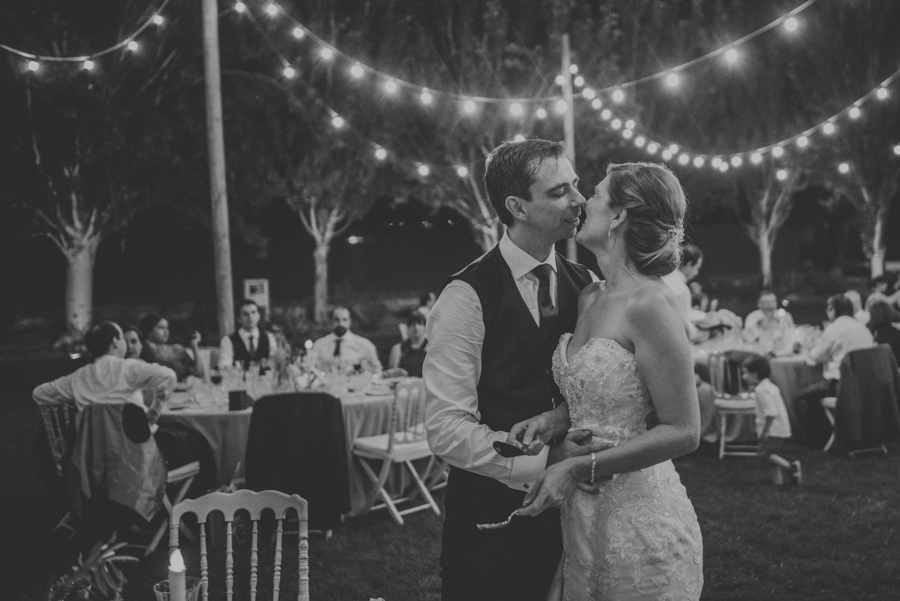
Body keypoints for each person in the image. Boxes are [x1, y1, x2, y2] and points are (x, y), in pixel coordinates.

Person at [510, 162, 703, 600]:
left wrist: (579, 465)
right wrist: (554, 419)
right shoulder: (590, 296)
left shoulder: (651, 305)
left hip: (641, 521)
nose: (581, 201)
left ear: (618, 216)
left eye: (594, 195)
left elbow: (685, 429)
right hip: (582, 518)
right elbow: (600, 393)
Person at [423, 139, 603, 601]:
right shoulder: (466, 295)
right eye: (559, 192)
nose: (580, 201)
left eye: (577, 186)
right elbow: (445, 428)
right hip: (491, 524)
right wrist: (542, 463)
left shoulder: (588, 286)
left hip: (581, 518)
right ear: (517, 206)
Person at [32, 321, 213, 545]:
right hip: (134, 461)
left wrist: (76, 411)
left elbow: (40, 394)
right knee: (200, 444)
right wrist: (155, 411)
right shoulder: (127, 368)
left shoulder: (79, 377)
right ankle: (204, 515)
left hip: (92, 466)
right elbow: (168, 377)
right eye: (122, 338)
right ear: (116, 342)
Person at [796, 295, 874, 446]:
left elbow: (817, 356)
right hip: (865, 384)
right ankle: (829, 432)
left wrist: (809, 351)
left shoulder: (834, 329)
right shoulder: (863, 328)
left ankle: (819, 438)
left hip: (840, 383)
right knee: (814, 393)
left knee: (799, 398)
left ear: (832, 310)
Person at [741, 354, 801, 486]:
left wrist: (764, 432)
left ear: (755, 375)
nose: (743, 377)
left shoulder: (762, 391)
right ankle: (777, 481)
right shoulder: (769, 386)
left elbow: (771, 413)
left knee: (763, 453)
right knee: (771, 454)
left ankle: (791, 467)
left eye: (745, 373)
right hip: (781, 428)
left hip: (774, 430)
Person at [312, 306, 382, 373]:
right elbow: (311, 367)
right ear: (331, 321)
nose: (340, 324)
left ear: (349, 321)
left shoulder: (364, 344)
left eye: (344, 320)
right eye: (336, 320)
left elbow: (377, 370)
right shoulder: (319, 344)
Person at [139, 313, 205, 382]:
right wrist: (146, 344)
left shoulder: (176, 349)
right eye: (160, 327)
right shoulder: (143, 349)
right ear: (149, 331)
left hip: (180, 389)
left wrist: (194, 345)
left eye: (167, 328)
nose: (166, 331)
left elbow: (198, 372)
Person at [217, 299, 277, 371]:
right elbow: (224, 367)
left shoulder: (269, 337)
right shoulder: (228, 341)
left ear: (258, 316)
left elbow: (276, 363)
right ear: (238, 319)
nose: (250, 317)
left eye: (253, 312)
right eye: (245, 314)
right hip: (239, 381)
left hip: (266, 381)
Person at [662, 243, 704, 341]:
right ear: (689, 264)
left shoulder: (664, 278)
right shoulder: (682, 289)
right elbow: (684, 327)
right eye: (696, 268)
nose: (696, 273)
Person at [388, 311, 428, 377]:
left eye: (420, 324)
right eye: (412, 324)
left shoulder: (431, 347)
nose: (416, 327)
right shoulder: (398, 349)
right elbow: (392, 374)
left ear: (425, 327)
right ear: (407, 328)